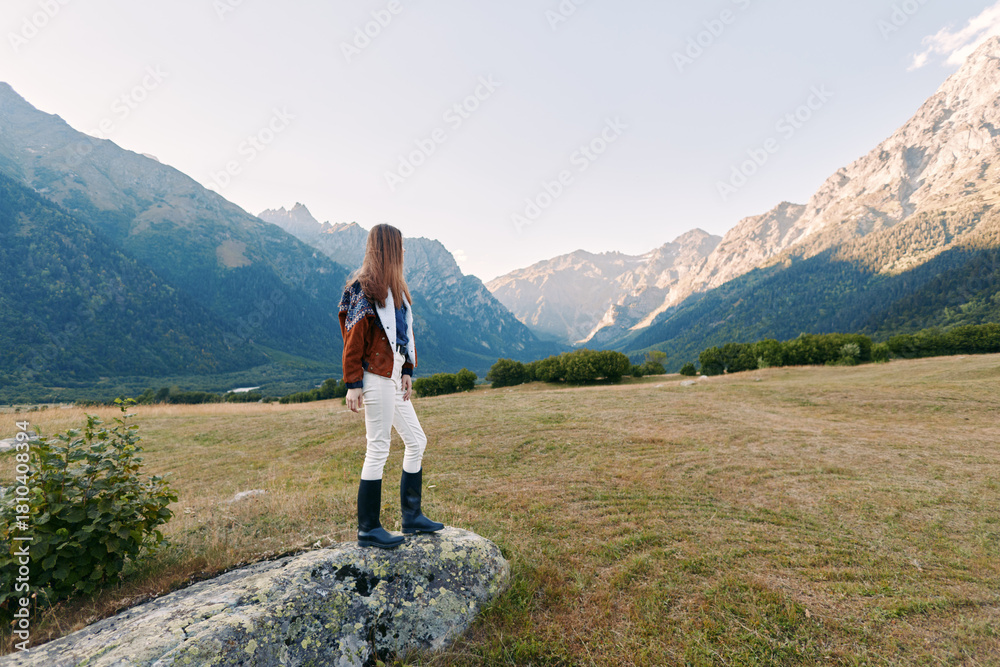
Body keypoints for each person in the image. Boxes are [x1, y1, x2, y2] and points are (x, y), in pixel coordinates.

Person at [338, 224, 444, 549]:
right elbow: (353, 338)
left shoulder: (397, 290)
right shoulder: (364, 288)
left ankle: (412, 518)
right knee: (378, 447)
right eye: (400, 246)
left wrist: (408, 369)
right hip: (375, 375)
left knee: (417, 440)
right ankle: (368, 528)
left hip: (395, 374)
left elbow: (403, 335)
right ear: (388, 248)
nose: (404, 252)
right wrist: (353, 383)